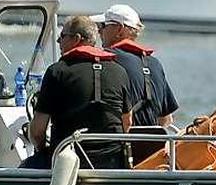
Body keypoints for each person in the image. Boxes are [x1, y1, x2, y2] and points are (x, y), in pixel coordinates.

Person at [20, 16, 132, 169]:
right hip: (112, 163)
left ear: (77, 38)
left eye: (62, 36)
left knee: (25, 168)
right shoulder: (120, 71)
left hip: (67, 165)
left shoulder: (57, 71)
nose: (59, 42)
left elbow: (38, 131)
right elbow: (128, 122)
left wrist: (42, 151)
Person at [92, 4, 179, 128]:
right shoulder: (155, 63)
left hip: (118, 143)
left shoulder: (105, 60)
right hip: (153, 144)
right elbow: (165, 119)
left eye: (103, 26)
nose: (100, 31)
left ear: (120, 30)